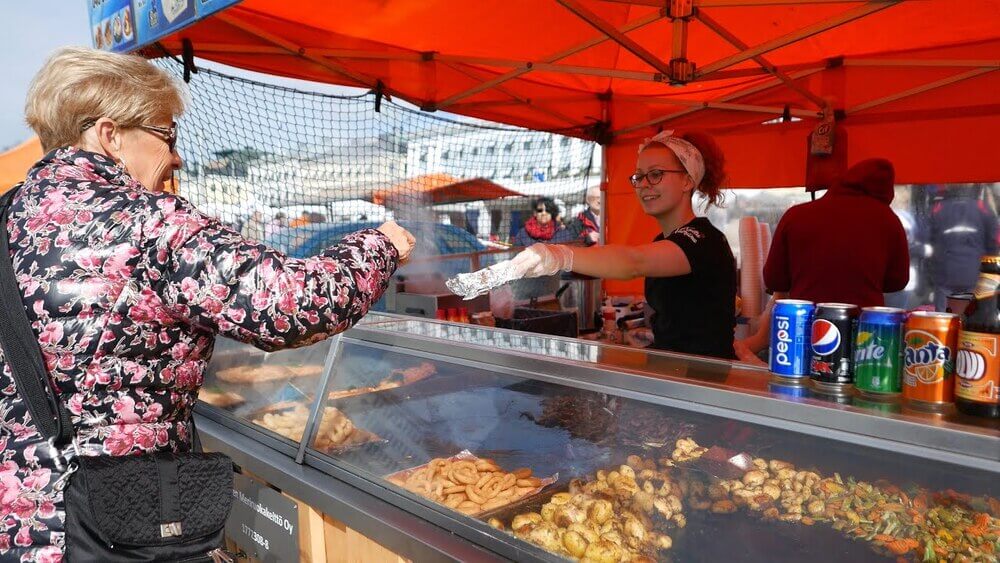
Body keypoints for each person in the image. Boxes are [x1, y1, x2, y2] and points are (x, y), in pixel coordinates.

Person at [2, 47, 416, 560]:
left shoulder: (5, 218)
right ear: (109, 135)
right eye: (165, 136)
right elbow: (288, 304)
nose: (176, 157)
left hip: (22, 519)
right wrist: (378, 247)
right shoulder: (145, 222)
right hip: (120, 520)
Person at [486, 130, 737, 359]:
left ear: (687, 181)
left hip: (704, 383)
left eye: (656, 174)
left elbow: (633, 262)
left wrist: (557, 254)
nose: (644, 184)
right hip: (674, 374)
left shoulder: (704, 240)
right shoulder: (664, 241)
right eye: (639, 176)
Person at [736, 158, 909, 360]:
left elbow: (775, 280)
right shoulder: (888, 220)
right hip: (865, 340)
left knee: (800, 387)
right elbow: (898, 281)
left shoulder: (797, 215)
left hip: (804, 333)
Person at [926, 183, 997, 311]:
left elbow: (929, 242)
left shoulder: (938, 209)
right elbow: (993, 244)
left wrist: (931, 275)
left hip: (945, 276)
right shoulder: (983, 209)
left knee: (945, 321)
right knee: (973, 322)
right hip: (975, 276)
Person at [512, 197, 576, 247]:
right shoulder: (523, 234)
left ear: (552, 213)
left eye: (548, 210)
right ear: (535, 213)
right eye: (540, 210)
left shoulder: (563, 234)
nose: (544, 213)